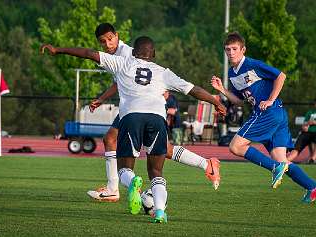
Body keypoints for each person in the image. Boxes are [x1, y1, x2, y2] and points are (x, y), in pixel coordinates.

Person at [41, 35, 226, 223]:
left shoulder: (122, 63)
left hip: (131, 117)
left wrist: (58, 49)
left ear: (134, 52)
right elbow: (194, 89)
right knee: (156, 172)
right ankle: (160, 212)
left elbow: (89, 54)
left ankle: (131, 183)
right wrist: (215, 102)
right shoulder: (163, 72)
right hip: (157, 118)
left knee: (124, 169)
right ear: (153, 54)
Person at [80, 23, 223, 202]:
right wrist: (102, 98)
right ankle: (205, 164)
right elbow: (120, 82)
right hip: (144, 107)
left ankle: (116, 190)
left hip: (138, 106)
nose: (108, 44)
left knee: (115, 140)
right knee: (159, 148)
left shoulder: (127, 53)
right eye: (103, 42)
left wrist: (102, 98)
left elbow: (126, 79)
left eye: (110, 39)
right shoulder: (116, 54)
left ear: (117, 36)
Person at [211, 32, 316, 203]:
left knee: (235, 146)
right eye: (227, 49)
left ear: (243, 49)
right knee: (283, 161)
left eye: (234, 49)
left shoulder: (252, 64)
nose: (231, 52)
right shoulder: (232, 73)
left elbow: (281, 76)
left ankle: (275, 168)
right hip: (276, 114)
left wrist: (270, 100)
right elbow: (239, 101)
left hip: (268, 112)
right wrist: (222, 90)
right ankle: (312, 187)